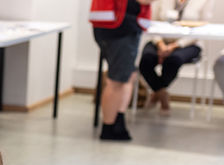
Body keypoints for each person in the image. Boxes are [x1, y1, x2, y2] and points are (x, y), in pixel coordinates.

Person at [90, 0, 157, 141]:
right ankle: (108, 128)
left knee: (127, 76)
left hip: (114, 26)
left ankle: (118, 120)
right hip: (120, 28)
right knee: (117, 81)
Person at [138, 0, 213, 116]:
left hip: (188, 43)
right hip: (160, 41)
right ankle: (162, 94)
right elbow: (151, 22)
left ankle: (157, 94)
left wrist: (174, 46)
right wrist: (160, 44)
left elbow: (203, 27)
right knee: (146, 60)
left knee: (173, 61)